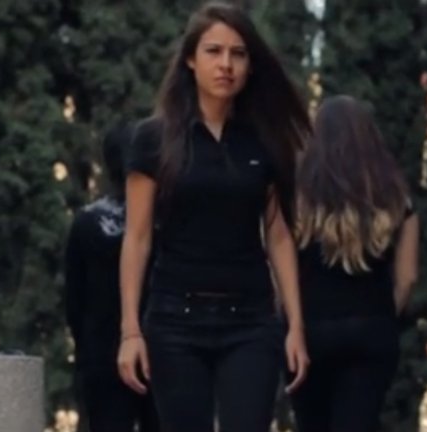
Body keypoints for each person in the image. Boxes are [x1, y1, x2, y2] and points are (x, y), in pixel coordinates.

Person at [115, 2, 311, 431]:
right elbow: (138, 237)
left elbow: (279, 235)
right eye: (214, 51)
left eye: (239, 54)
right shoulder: (153, 139)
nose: (226, 64)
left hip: (251, 321)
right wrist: (130, 332)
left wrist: (295, 325)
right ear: (190, 59)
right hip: (174, 321)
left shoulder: (266, 140)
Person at [287, 95, 420, 432]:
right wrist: (382, 315)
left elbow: (279, 271)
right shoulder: (396, 200)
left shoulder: (296, 197)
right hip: (371, 331)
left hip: (310, 333)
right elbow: (407, 279)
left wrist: (289, 321)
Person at [64, 123, 159, 432]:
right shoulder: (166, 221)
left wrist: (85, 350)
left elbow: (74, 298)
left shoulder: (88, 221)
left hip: (101, 351)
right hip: (163, 346)